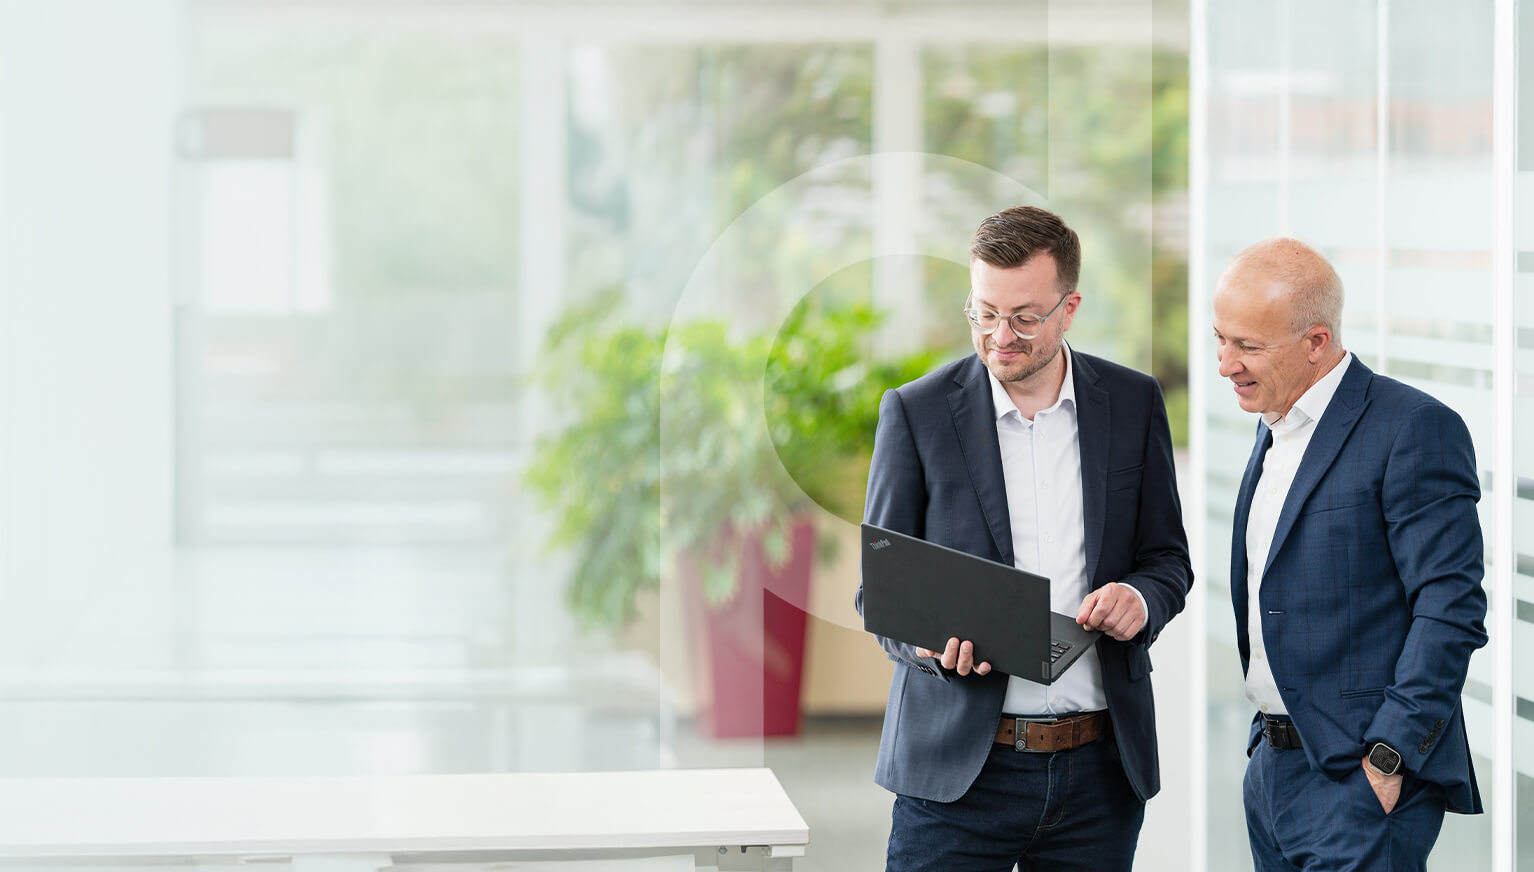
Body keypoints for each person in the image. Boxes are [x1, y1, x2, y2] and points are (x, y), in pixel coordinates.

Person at [857, 205, 1192, 872]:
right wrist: (926, 644)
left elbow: (1167, 560)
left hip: (1099, 774)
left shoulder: (1132, 404)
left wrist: (1140, 597)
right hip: (957, 776)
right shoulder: (916, 413)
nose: (1000, 336)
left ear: (1069, 309)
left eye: (1024, 318)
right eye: (984, 313)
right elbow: (881, 594)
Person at [1212, 238, 1488, 871]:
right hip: (1274, 766)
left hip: (1360, 781)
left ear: (1316, 342)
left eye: (1249, 346)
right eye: (1221, 338)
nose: (1226, 364)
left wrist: (1388, 759)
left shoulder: (1413, 428)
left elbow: (1451, 608)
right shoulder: (1275, 423)